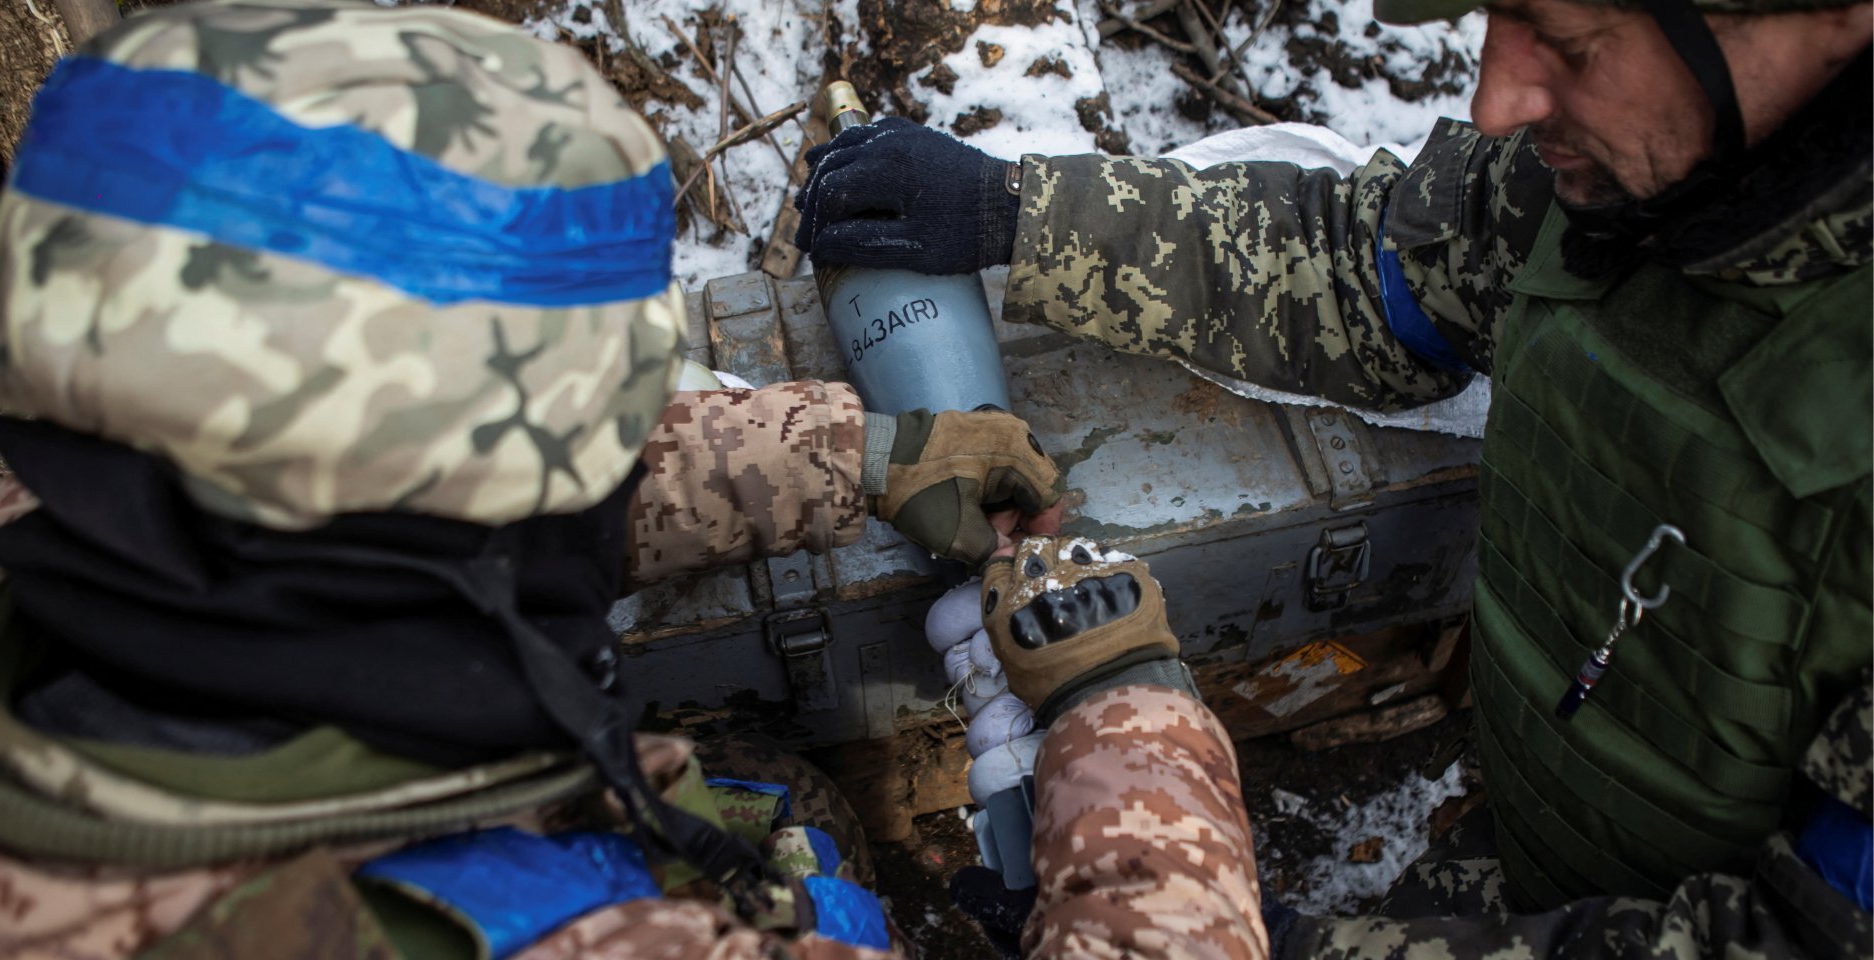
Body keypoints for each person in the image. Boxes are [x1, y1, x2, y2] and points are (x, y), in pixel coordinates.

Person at [0, 0, 1093, 956]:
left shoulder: (51, 535)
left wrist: (848, 454)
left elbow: (447, 505)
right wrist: (1116, 705)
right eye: (598, 431)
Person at [794, 0, 1873, 954]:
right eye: (1501, 17)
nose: (1497, 101)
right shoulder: (1617, 168)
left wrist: (1238, 937)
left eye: (1575, 42)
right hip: (1540, 844)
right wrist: (1020, 215)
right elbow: (1372, 269)